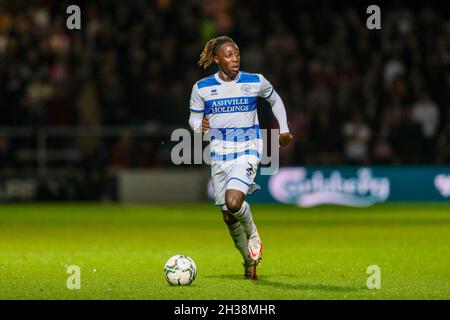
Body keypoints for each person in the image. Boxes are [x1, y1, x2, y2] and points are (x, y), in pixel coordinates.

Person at [188, 36, 293, 280]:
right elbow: (193, 119)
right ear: (216, 59)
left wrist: (284, 128)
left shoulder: (255, 81)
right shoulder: (202, 88)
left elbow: (275, 99)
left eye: (236, 53)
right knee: (227, 214)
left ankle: (254, 234)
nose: (234, 58)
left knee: (234, 202)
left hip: (247, 149)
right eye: (228, 55)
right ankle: (248, 260)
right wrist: (199, 126)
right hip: (219, 154)